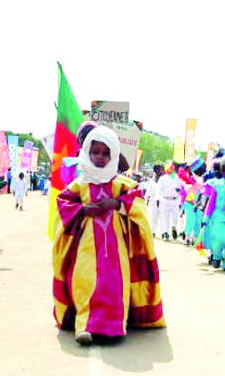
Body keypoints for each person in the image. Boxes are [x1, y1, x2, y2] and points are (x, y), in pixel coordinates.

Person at [52, 126, 165, 344]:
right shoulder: (79, 184)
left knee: (115, 281)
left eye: (106, 153)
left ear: (113, 155)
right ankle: (84, 326)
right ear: (86, 151)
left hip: (116, 245)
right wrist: (84, 210)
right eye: (95, 152)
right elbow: (63, 204)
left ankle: (114, 327)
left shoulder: (120, 183)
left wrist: (117, 203)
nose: (100, 157)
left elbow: (137, 200)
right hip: (86, 243)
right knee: (84, 279)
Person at [203, 155, 225, 270]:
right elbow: (211, 203)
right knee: (219, 238)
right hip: (218, 216)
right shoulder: (217, 185)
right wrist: (206, 219)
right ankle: (217, 256)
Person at [156, 163, 181, 240]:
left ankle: (174, 228)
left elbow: (180, 190)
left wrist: (180, 202)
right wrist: (158, 199)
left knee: (175, 218)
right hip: (165, 200)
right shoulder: (162, 178)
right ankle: (165, 233)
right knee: (165, 218)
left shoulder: (177, 178)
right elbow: (158, 189)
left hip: (175, 200)